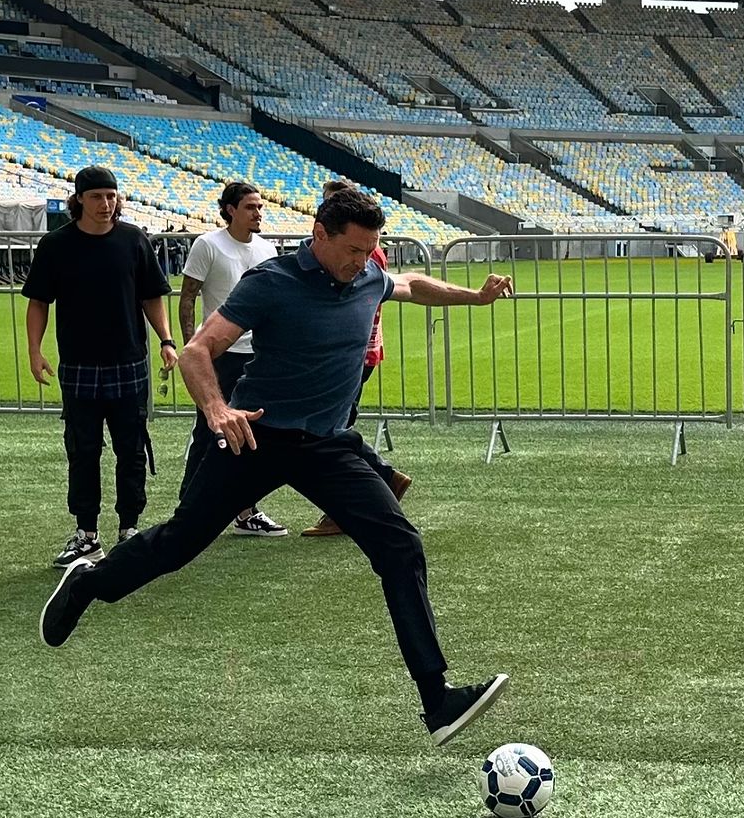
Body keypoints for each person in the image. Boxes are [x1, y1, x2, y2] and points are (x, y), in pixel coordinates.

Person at [40, 190, 513, 747]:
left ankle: (437, 700)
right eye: (353, 249)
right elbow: (197, 351)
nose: (362, 261)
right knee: (179, 543)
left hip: (329, 446)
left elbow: (410, 286)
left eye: (371, 250)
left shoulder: (368, 277)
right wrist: (217, 409)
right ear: (319, 235)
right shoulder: (272, 282)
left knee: (400, 547)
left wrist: (475, 298)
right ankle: (89, 585)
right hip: (255, 436)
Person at [23, 165, 178, 568]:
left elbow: (151, 296)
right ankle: (86, 534)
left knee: (132, 448)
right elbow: (38, 301)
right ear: (79, 200)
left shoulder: (134, 241)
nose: (106, 204)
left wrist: (165, 339)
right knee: (82, 449)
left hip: (129, 361)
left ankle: (129, 528)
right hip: (78, 364)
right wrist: (34, 350)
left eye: (111, 196)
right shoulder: (56, 245)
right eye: (97, 197)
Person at [178, 181, 285, 537]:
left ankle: (246, 511)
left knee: (253, 431)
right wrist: (194, 346)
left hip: (258, 355)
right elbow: (188, 296)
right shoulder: (208, 245)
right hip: (219, 354)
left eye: (260, 207)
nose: (258, 213)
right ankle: (188, 509)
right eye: (251, 207)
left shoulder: (267, 249)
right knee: (210, 429)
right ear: (230, 210)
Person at [302, 178, 400, 538]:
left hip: (354, 354)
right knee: (332, 431)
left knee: (327, 434)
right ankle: (378, 485)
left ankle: (361, 499)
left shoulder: (361, 253)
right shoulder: (365, 251)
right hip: (360, 352)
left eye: (329, 205)